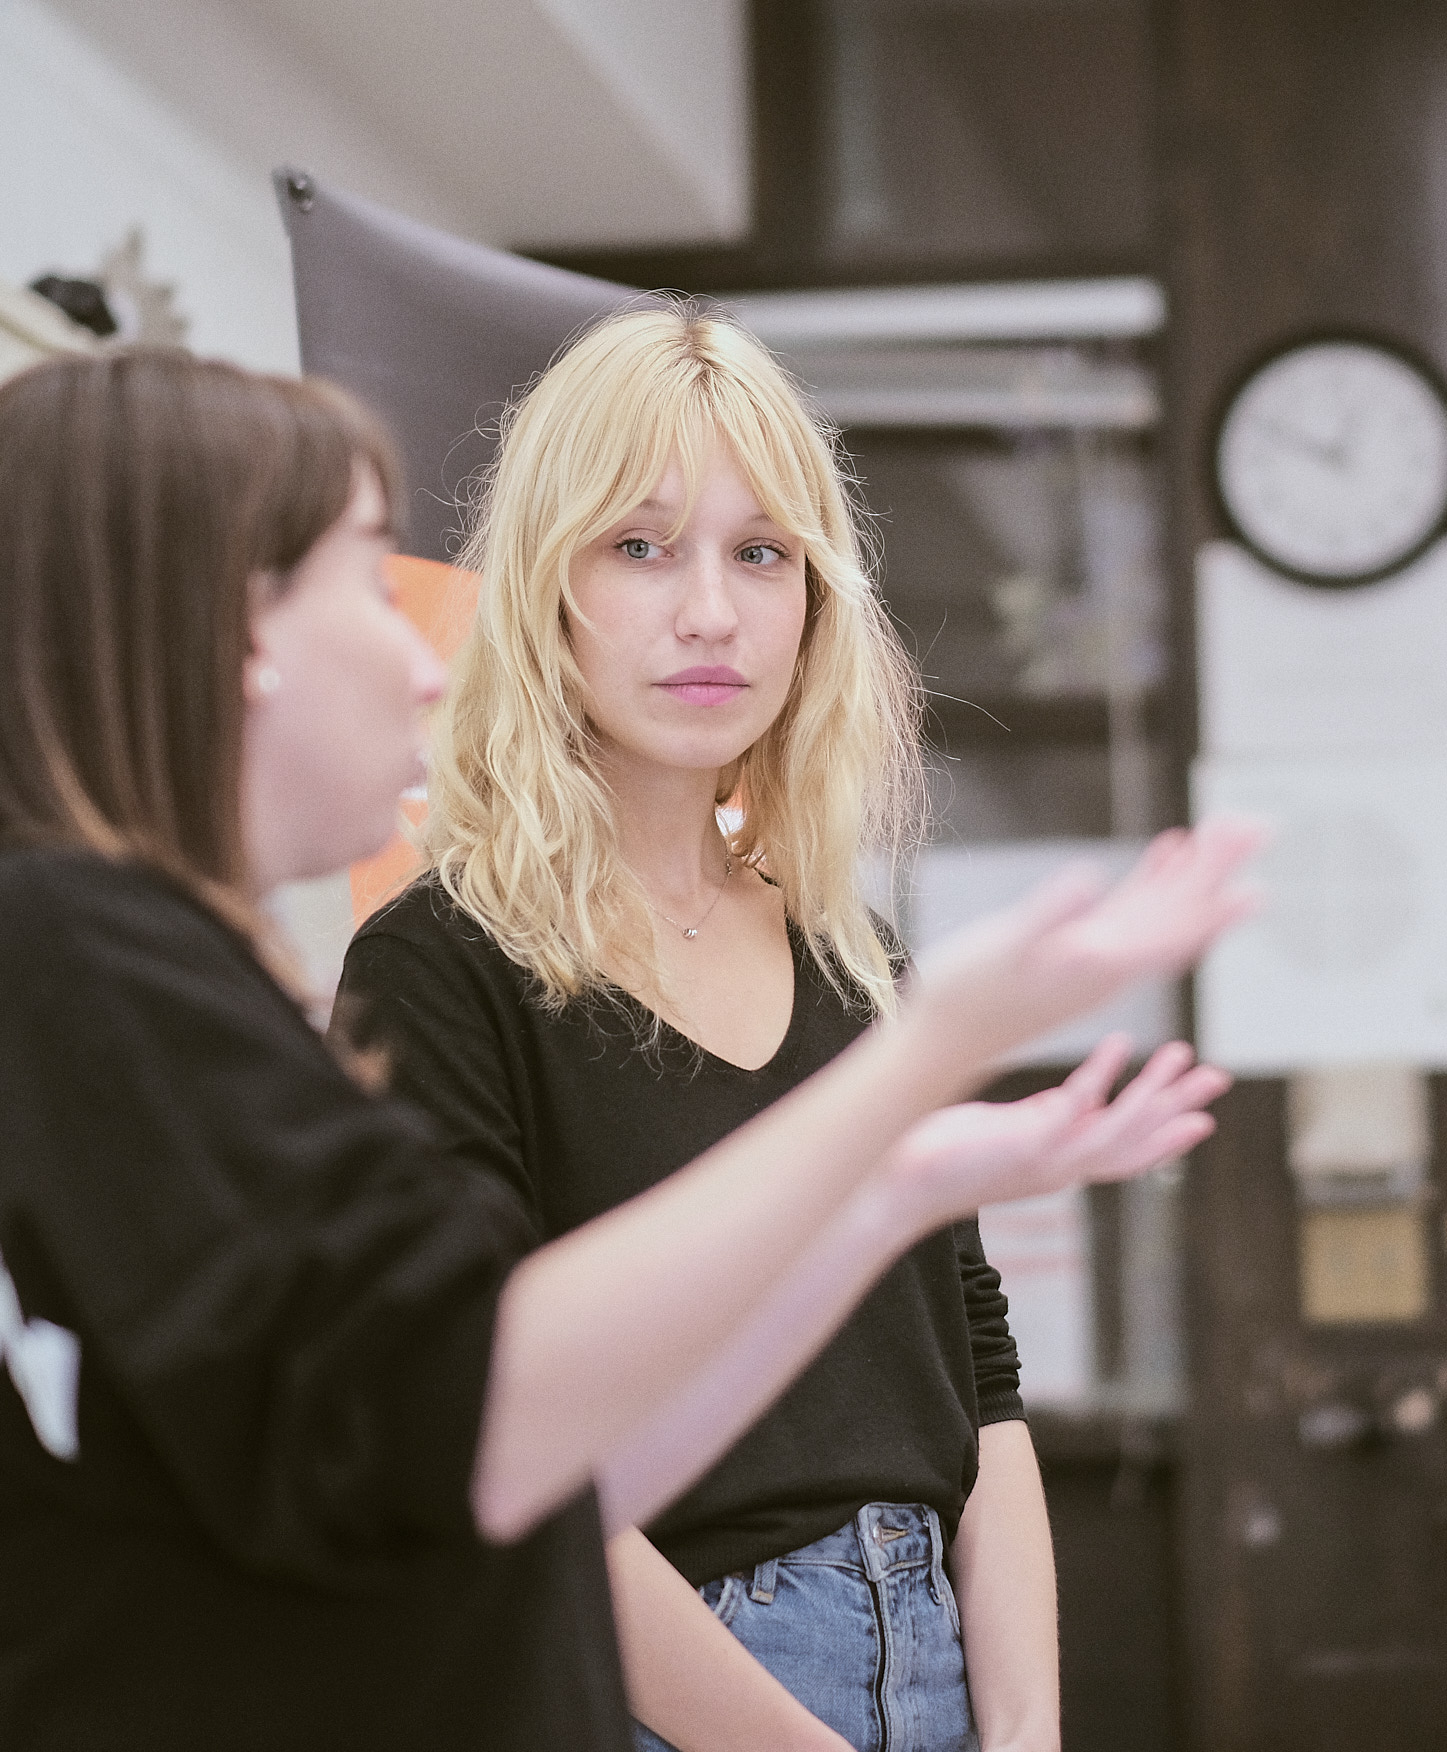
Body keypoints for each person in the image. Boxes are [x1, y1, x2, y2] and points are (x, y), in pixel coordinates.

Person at [0, 347, 1258, 1751]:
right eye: (365, 576)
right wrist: (917, 1075)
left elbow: (494, 1473)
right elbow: (479, 1428)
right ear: (229, 627)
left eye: (762, 554)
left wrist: (894, 1169)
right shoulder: (59, 963)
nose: (421, 658)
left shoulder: (13, 964)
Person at [334, 300, 1229, 1752]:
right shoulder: (441, 967)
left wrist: (1023, 1729)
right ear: (545, 587)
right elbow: (489, 1457)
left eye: (763, 554)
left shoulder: (854, 957)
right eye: (641, 546)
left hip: (933, 1654)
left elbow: (978, 1383)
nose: (711, 612)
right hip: (651, 1688)